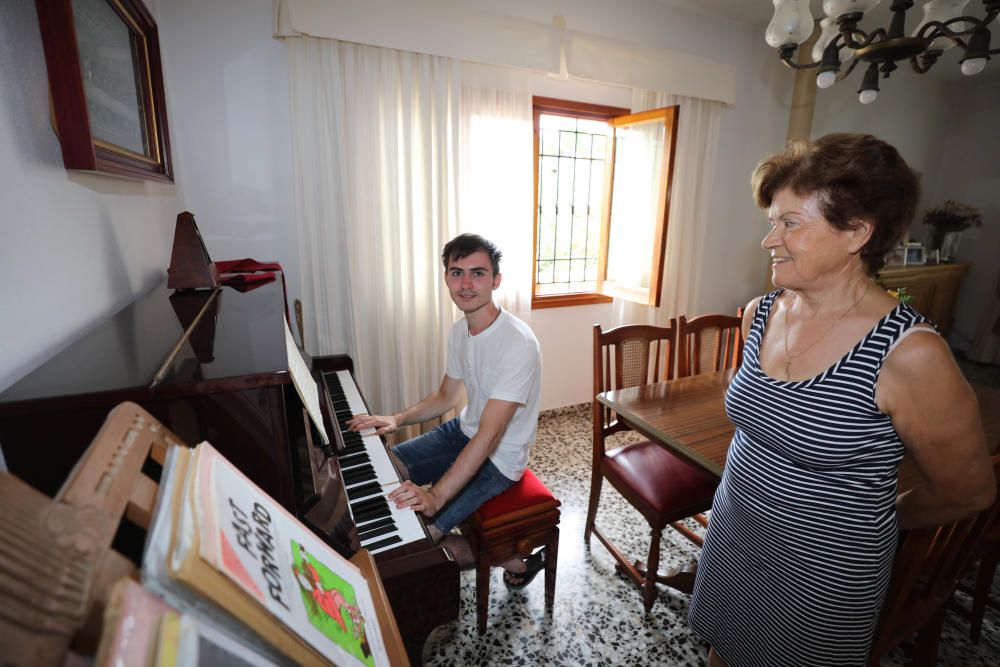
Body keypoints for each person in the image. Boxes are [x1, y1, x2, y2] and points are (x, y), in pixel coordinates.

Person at [687, 133, 996, 667]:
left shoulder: (909, 354)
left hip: (820, 581)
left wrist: (872, 522)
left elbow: (967, 491)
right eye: (771, 221)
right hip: (735, 540)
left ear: (857, 232)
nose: (769, 240)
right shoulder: (758, 313)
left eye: (790, 223)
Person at [346, 233, 544, 588]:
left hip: (500, 458)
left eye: (478, 273)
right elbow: (446, 395)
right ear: (446, 278)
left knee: (421, 537)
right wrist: (397, 418)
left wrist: (436, 496)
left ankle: (512, 558)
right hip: (462, 431)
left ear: (496, 280)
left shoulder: (519, 344)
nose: (466, 284)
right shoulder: (460, 330)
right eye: (457, 272)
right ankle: (507, 554)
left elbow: (491, 435)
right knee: (385, 469)